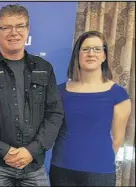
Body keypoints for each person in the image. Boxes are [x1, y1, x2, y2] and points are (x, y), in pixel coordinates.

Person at [0, 4, 64, 186]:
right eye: (6, 27)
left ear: (28, 30)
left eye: (20, 26)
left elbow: (54, 113)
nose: (13, 33)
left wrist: (32, 150)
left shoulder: (44, 69)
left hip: (34, 166)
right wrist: (4, 151)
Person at [49, 31, 131, 186]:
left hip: (100, 172)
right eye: (85, 49)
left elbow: (117, 140)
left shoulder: (118, 94)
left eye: (97, 49)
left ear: (104, 56)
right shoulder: (59, 91)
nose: (91, 53)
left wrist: (95, 160)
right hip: (61, 170)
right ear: (77, 55)